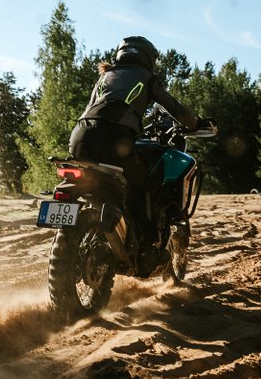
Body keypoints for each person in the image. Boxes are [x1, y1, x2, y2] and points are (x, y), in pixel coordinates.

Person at [69, 35, 204, 242]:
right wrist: (195, 123)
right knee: (143, 184)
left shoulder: (105, 76)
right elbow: (174, 107)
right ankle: (147, 241)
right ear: (148, 57)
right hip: (114, 140)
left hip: (79, 138)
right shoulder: (146, 77)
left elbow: (92, 109)